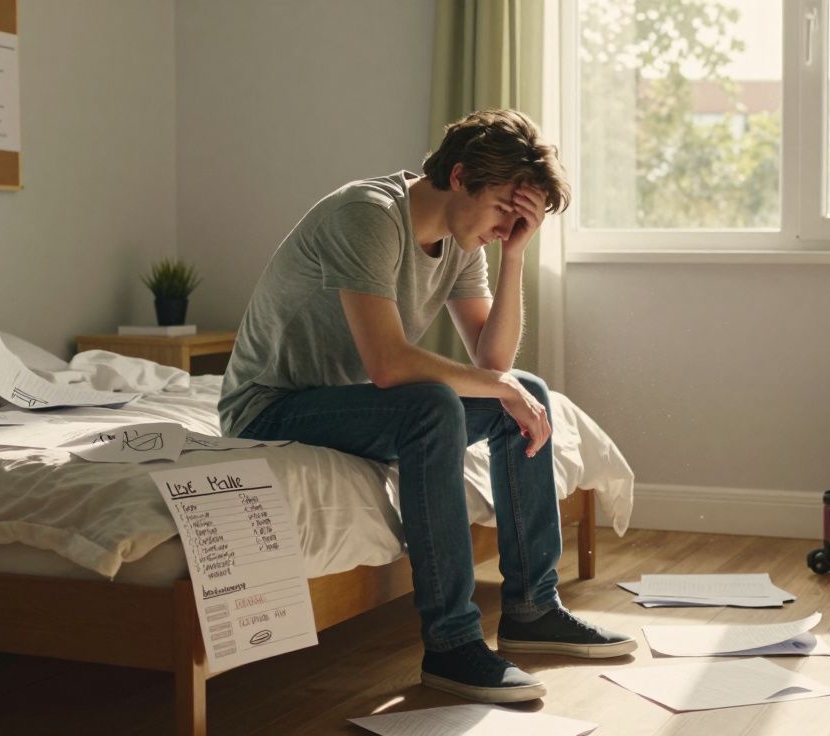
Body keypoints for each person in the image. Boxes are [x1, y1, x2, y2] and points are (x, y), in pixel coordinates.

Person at [219, 109, 634, 703]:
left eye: (516, 221)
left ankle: (532, 608)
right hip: (270, 408)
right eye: (501, 210)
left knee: (529, 394)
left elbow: (492, 364)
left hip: (346, 404)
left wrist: (514, 255)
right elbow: (389, 363)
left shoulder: (464, 239)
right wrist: (501, 388)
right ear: (459, 176)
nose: (503, 227)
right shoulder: (366, 216)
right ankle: (453, 645)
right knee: (434, 405)